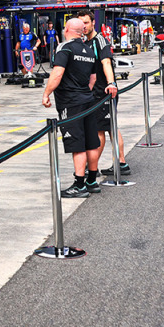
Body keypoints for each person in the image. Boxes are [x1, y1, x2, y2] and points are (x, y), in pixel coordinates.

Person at [41, 18, 101, 198]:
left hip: (71, 103)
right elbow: (93, 79)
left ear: (67, 29)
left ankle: (79, 186)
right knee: (91, 142)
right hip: (88, 101)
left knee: (77, 144)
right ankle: (92, 181)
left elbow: (57, 73)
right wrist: (83, 93)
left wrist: (46, 94)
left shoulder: (65, 48)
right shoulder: (89, 50)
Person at [78, 10, 123, 185]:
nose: (83, 26)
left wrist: (111, 83)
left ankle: (92, 168)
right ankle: (121, 162)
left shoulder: (100, 41)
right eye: (81, 23)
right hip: (95, 93)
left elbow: (106, 63)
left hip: (104, 93)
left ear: (93, 23)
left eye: (86, 23)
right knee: (111, 128)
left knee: (99, 130)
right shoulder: (86, 42)